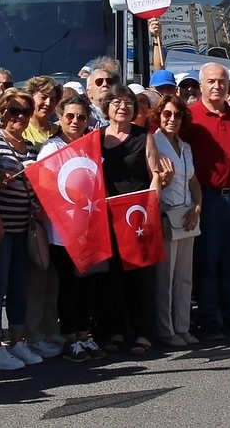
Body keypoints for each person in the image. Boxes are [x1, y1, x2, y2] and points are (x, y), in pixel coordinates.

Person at [181, 63, 230, 341]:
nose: (217, 86)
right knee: (208, 262)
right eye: (211, 81)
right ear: (201, 85)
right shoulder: (190, 117)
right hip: (208, 198)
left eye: (222, 81)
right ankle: (210, 320)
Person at [95, 84, 166, 355]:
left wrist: (151, 204)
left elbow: (156, 173)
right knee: (113, 278)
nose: (122, 107)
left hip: (138, 215)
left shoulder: (143, 136)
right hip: (109, 215)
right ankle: (114, 331)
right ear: (107, 108)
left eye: (127, 103)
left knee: (142, 277)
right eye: (116, 103)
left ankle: (143, 333)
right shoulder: (97, 137)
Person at [39, 95, 107, 362]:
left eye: (81, 116)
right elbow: (44, 187)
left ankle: (84, 333)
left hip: (88, 227)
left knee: (87, 284)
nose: (76, 121)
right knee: (69, 286)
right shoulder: (51, 148)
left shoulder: (90, 146)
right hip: (61, 230)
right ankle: (70, 338)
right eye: (70, 116)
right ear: (60, 117)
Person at [0, 88, 43, 369]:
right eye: (14, 111)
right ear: (3, 113)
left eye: (25, 111)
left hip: (24, 226)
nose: (19, 116)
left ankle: (17, 342)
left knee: (19, 286)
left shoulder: (30, 148)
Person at [152, 95, 202, 347]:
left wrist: (197, 207)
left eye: (178, 115)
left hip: (187, 215)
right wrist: (165, 181)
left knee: (184, 276)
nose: (172, 119)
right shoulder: (154, 142)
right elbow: (154, 183)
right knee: (166, 277)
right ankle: (166, 329)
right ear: (159, 116)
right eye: (167, 114)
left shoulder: (185, 147)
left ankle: (182, 326)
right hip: (165, 213)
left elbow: (194, 182)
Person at [20, 75, 65, 358]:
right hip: (33, 215)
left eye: (52, 98)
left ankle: (51, 329)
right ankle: (33, 334)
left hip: (59, 217)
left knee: (54, 276)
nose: (47, 103)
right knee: (37, 275)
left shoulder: (58, 131)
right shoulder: (24, 131)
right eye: (42, 97)